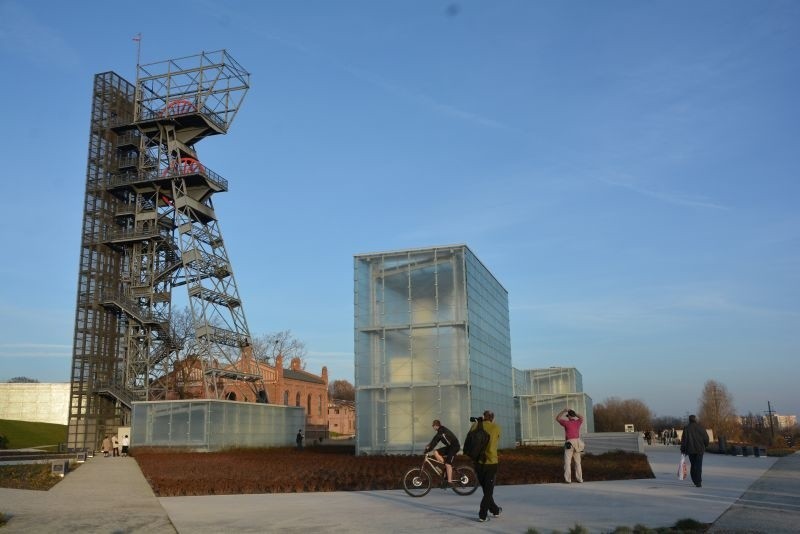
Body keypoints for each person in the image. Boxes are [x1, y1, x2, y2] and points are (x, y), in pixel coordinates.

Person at [472, 410, 502, 522]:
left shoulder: (476, 425)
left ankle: (495, 510)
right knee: (488, 491)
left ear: (483, 417)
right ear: (492, 418)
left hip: (478, 462)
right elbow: (497, 439)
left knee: (486, 490)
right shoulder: (496, 427)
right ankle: (482, 514)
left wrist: (479, 422)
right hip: (491, 462)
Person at [423, 420, 460, 485]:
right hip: (450, 447)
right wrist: (429, 445)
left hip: (454, 447)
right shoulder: (440, 431)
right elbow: (434, 439)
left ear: (436, 426)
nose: (433, 427)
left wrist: (427, 450)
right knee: (435, 452)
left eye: (433, 426)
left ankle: (449, 481)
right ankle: (445, 468)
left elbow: (435, 441)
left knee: (448, 464)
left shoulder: (441, 432)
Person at [556, 408, 584, 483]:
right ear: (574, 416)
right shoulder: (578, 422)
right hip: (577, 442)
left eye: (568, 416)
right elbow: (581, 417)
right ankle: (580, 479)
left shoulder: (566, 423)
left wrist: (564, 410)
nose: (567, 417)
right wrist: (575, 413)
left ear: (569, 416)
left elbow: (557, 418)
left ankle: (568, 480)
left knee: (567, 462)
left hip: (569, 442)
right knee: (578, 462)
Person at [681, 415, 709, 487]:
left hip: (691, 450)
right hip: (700, 450)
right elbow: (706, 438)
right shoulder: (701, 427)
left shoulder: (686, 428)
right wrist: (705, 445)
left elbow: (684, 440)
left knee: (693, 465)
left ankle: (695, 480)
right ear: (695, 419)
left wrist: (683, 449)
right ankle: (698, 481)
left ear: (689, 420)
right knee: (699, 465)